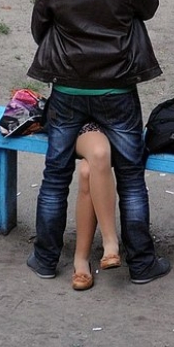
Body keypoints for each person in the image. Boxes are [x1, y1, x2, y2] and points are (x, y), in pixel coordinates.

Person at [25, 0, 171, 285]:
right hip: (117, 91)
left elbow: (40, 30)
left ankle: (44, 259)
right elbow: (150, 8)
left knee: (55, 176)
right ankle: (141, 263)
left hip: (68, 91)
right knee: (131, 177)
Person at [72, 123, 121, 291]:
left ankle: (81, 259)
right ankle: (110, 242)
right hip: (77, 121)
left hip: (118, 123)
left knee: (86, 171)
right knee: (99, 154)